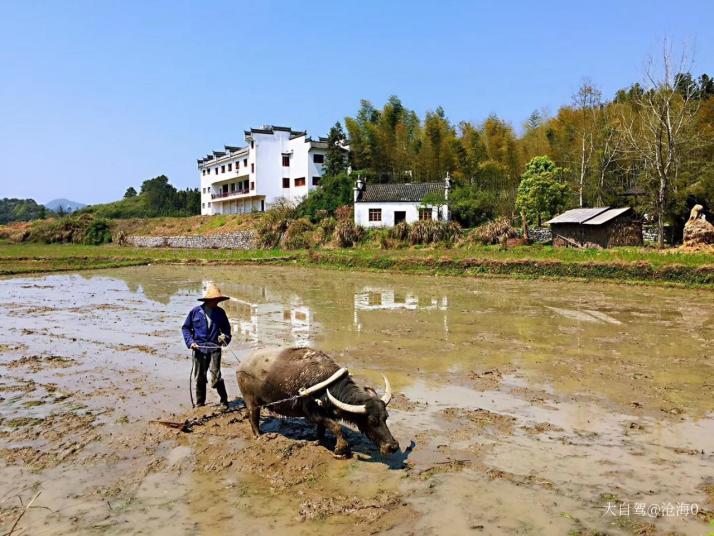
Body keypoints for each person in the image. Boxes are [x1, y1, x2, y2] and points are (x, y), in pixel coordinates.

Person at [181, 283, 232, 407]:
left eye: (218, 300)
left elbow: (227, 330)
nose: (216, 302)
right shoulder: (195, 312)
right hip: (199, 348)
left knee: (216, 375)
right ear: (208, 300)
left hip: (214, 348)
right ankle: (200, 404)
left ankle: (224, 401)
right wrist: (191, 342)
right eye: (215, 300)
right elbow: (186, 328)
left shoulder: (220, 313)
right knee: (200, 377)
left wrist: (225, 337)